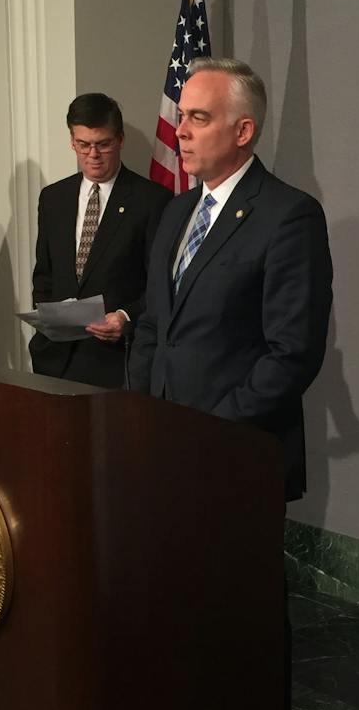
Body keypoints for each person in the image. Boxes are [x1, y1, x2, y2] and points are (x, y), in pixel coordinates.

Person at [128, 58, 333, 503]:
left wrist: (210, 431)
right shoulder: (176, 210)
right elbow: (153, 322)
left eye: (198, 118)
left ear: (242, 132)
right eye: (181, 116)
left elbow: (292, 354)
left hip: (234, 457)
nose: (180, 130)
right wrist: (141, 412)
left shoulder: (289, 216)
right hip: (160, 447)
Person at [29, 93, 169, 387]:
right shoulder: (54, 198)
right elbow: (44, 276)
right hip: (55, 361)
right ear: (71, 141)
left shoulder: (151, 201)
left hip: (115, 362)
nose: (92, 154)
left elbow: (160, 285)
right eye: (83, 145)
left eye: (102, 144)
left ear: (120, 139)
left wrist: (124, 317)